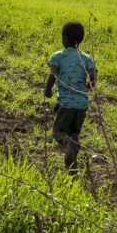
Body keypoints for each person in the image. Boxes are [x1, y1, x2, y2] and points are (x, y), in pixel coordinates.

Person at [44, 21, 96, 170]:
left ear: (65, 38)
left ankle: (67, 144)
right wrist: (89, 84)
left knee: (58, 132)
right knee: (74, 132)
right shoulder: (86, 58)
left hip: (66, 103)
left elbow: (52, 74)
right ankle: (71, 164)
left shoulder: (58, 56)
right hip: (82, 104)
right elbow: (93, 75)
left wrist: (48, 90)